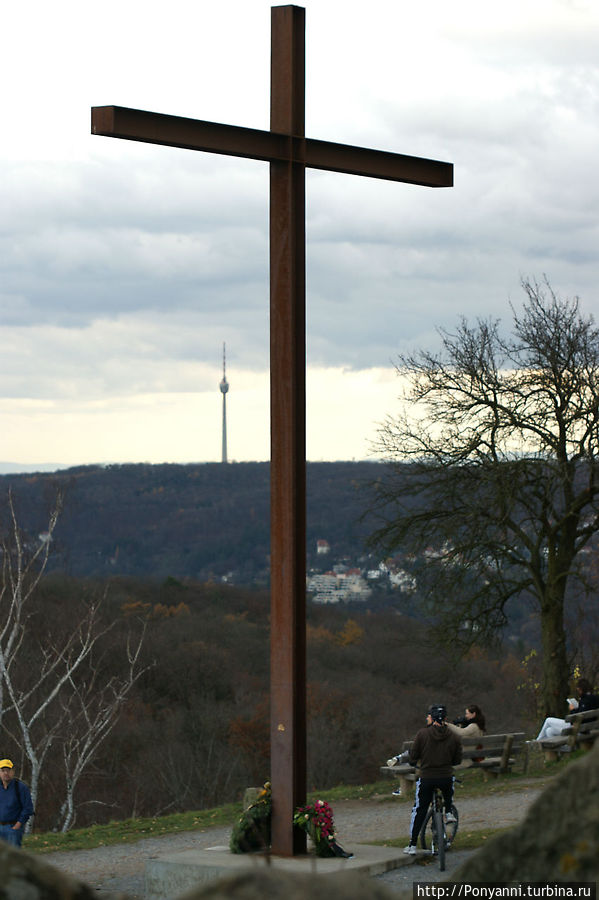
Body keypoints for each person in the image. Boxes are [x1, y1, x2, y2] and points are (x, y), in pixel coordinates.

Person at [403, 704, 462, 855]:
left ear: (432, 718)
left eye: (428, 716)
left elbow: (414, 756)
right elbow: (457, 760)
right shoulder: (454, 736)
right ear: (445, 719)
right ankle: (448, 811)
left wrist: (413, 762)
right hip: (446, 777)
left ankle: (412, 844)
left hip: (427, 778)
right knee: (449, 789)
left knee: (420, 809)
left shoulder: (422, 734)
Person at [535, 678, 599, 742]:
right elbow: (584, 712)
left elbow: (577, 718)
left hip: (578, 729)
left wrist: (572, 709)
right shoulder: (595, 698)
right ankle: (565, 749)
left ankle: (537, 741)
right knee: (549, 731)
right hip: (587, 729)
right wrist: (577, 708)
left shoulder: (585, 700)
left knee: (548, 720)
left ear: (580, 689)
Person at [0, 759, 34, 848]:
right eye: (3, 771)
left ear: (13, 772)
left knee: (13, 858)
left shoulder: (20, 787)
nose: (6, 773)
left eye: (8, 770)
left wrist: (17, 825)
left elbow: (28, 808)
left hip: (13, 828)